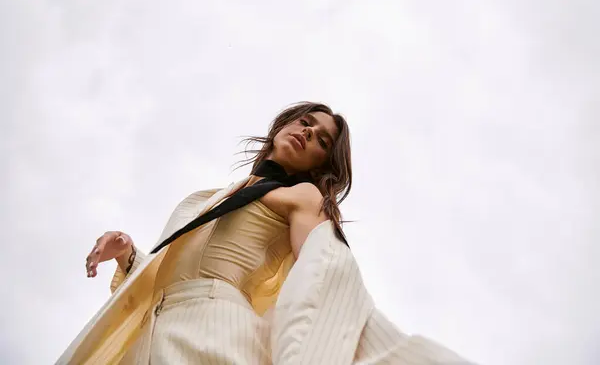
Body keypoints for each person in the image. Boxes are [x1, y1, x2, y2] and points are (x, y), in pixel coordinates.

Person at [58, 102, 473, 364]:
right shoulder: (213, 196)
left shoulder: (301, 196)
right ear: (283, 125)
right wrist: (129, 255)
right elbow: (171, 272)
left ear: (319, 163)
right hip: (153, 331)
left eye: (322, 139)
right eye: (305, 122)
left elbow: (321, 270)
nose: (308, 131)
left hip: (213, 328)